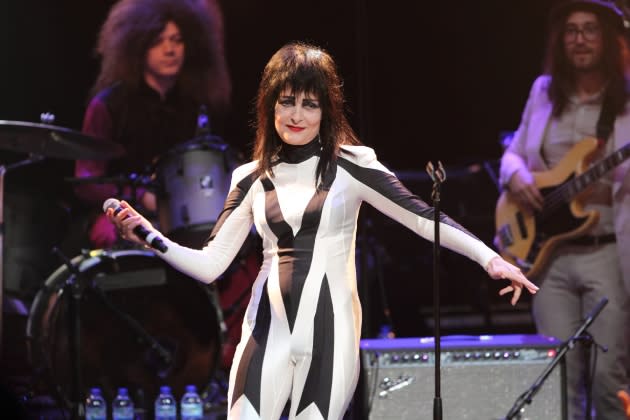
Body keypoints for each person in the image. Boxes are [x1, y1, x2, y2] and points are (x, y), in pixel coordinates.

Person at [107, 41, 538, 420]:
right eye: (286, 101)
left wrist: (492, 259)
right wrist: (148, 234)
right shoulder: (249, 177)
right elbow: (210, 265)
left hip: (330, 340)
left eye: (309, 104)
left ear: (325, 110)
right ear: (270, 104)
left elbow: (423, 218)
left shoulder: (353, 166)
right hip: (266, 333)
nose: (296, 115)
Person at [498, 1, 630, 418]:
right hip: (547, 260)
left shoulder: (625, 98)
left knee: (610, 378)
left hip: (606, 251)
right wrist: (516, 176)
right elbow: (513, 153)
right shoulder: (543, 90)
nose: (580, 39)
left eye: (590, 29)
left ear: (608, 38)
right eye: (571, 30)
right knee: (556, 378)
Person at [74, 0, 231, 249]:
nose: (170, 49)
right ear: (137, 47)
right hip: (120, 215)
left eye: (177, 40)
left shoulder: (198, 105)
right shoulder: (109, 105)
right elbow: (87, 182)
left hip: (182, 218)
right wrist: (138, 197)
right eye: (158, 41)